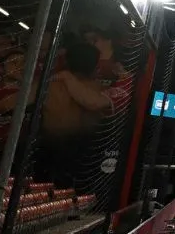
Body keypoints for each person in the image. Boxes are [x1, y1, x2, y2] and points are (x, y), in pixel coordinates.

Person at [34, 38, 115, 193]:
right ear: (96, 66)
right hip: (84, 158)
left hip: (52, 152)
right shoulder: (101, 89)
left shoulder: (50, 85)